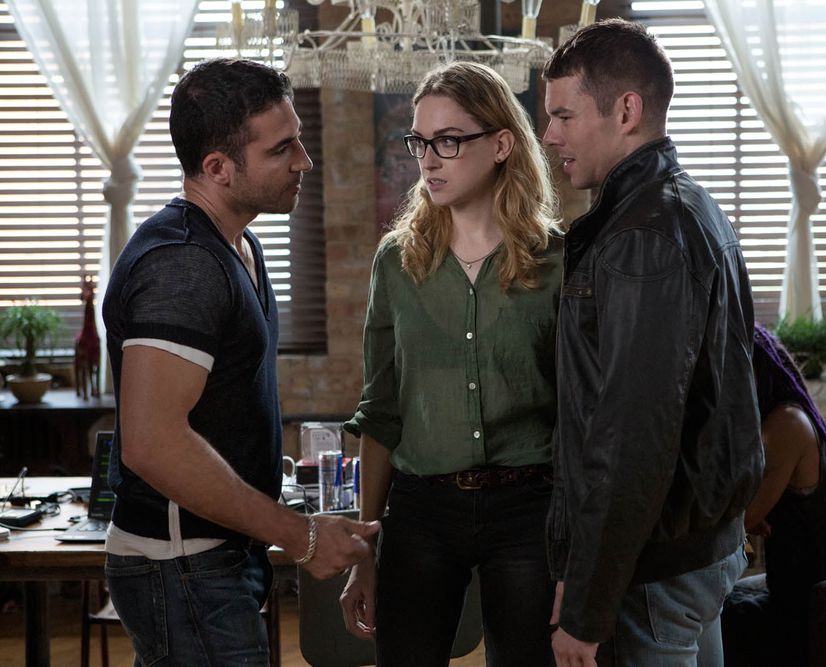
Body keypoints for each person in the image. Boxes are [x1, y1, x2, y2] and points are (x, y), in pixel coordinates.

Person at [101, 58, 380, 665]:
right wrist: (301, 537)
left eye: (298, 139)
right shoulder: (182, 264)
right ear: (217, 168)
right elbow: (150, 443)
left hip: (216, 558)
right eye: (282, 149)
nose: (304, 160)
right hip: (181, 564)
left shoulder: (237, 243)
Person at [541, 19, 764, 666]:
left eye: (563, 115)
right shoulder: (693, 207)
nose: (549, 135)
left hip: (655, 569)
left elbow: (631, 437)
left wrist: (587, 604)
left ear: (627, 111)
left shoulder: (643, 236)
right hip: (701, 551)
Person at [339, 61, 563, 667]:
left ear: (501, 144)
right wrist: (364, 549)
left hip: (529, 507)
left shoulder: (556, 262)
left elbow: (580, 415)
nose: (428, 160)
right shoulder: (396, 262)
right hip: (422, 509)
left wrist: (577, 557)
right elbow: (380, 410)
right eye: (420, 142)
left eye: (448, 141)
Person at [721, 324, 826, 665]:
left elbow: (739, 523)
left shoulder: (785, 425)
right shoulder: (784, 418)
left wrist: (747, 522)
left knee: (719, 621)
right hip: (819, 591)